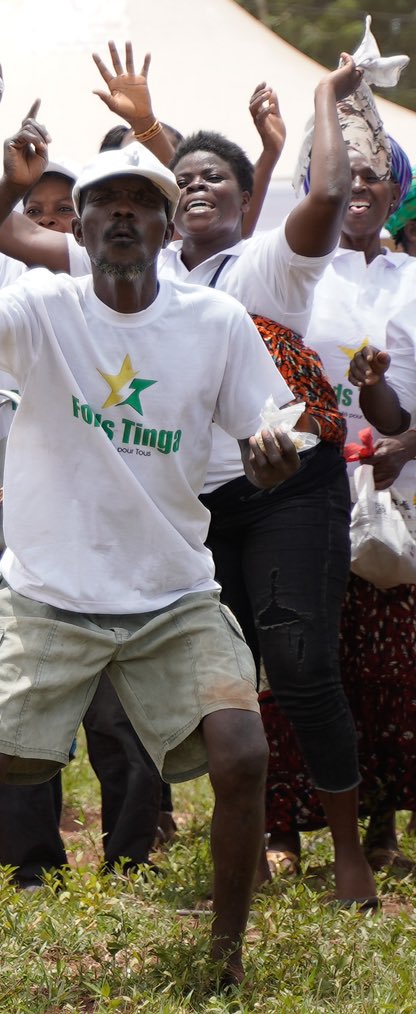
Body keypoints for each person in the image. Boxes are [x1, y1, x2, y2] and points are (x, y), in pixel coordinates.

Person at [0, 123, 296, 988]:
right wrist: (6, 193)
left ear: (166, 228)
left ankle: (226, 961)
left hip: (170, 593)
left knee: (241, 753)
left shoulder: (215, 321)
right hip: (47, 591)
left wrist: (274, 459)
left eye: (141, 205)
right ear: (77, 232)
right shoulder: (45, 309)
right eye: (104, 206)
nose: (123, 216)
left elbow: (265, 434)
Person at [0, 52, 371, 905]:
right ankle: (238, 851)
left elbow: (319, 198)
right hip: (189, 502)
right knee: (221, 684)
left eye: (218, 179)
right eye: (186, 179)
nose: (197, 189)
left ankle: (347, 854)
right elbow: (24, 233)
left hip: (279, 488)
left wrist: (321, 98)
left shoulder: (260, 270)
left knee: (294, 663)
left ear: (248, 202)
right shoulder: (133, 276)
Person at [292, 135, 416, 874]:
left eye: (376, 174)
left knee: (387, 668)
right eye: (346, 173)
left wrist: (409, 446)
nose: (360, 185)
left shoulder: (414, 279)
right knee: (306, 661)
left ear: (397, 189)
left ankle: (383, 825)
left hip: (396, 499)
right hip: (302, 494)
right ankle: (287, 827)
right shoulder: (292, 271)